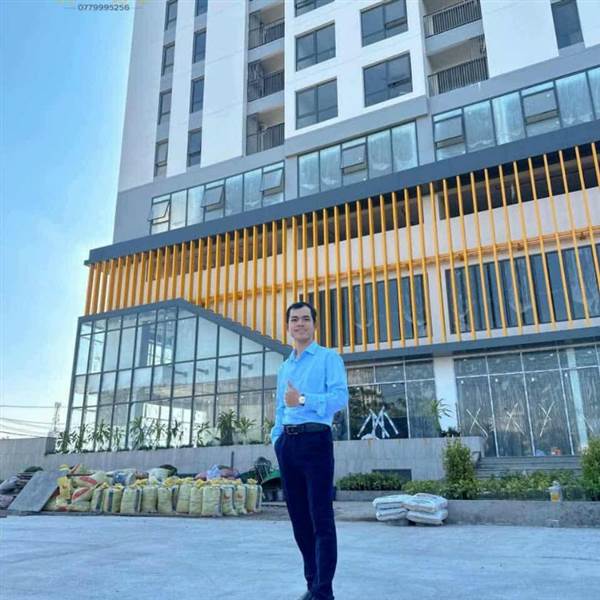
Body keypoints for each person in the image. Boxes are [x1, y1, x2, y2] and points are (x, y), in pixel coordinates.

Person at [271, 301, 349, 600]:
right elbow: (280, 409)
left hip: (316, 441)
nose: (300, 324)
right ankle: (312, 584)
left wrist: (303, 399)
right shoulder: (285, 367)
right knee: (300, 521)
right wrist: (277, 440)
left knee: (321, 519)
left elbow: (339, 398)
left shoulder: (329, 358)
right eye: (294, 319)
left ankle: (323, 592)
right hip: (288, 445)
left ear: (315, 324)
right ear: (288, 327)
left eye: (305, 318)